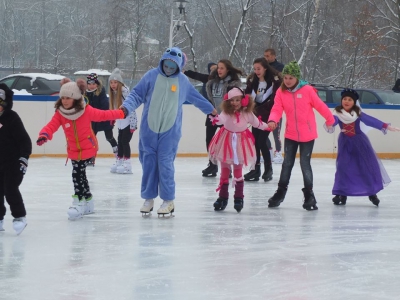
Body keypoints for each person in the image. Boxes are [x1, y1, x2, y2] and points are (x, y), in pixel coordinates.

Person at [120, 47, 217, 217]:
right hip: (149, 130)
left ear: (179, 66)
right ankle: (149, 198)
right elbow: (136, 94)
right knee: (148, 163)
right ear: (162, 61)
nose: (169, 69)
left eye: (173, 66)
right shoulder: (151, 76)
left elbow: (196, 98)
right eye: (167, 64)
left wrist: (212, 110)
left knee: (165, 164)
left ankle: (168, 200)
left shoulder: (182, 81)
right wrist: (126, 108)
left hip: (170, 132)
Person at [36, 80, 124, 220]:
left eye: (68, 98)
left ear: (76, 97)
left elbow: (103, 115)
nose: (64, 101)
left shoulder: (86, 110)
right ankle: (88, 201)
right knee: (81, 175)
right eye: (63, 98)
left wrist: (120, 113)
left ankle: (78, 202)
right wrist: (44, 134)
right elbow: (51, 125)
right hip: (74, 149)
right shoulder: (61, 113)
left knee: (77, 173)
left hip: (89, 148)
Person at [267, 61, 335, 211]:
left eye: (291, 78)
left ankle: (309, 195)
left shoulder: (308, 90)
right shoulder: (281, 91)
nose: (287, 81)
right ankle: (280, 193)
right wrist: (273, 120)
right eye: (285, 78)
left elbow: (320, 106)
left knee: (305, 164)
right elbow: (277, 108)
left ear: (297, 78)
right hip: (290, 134)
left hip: (308, 135)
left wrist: (330, 120)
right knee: (287, 164)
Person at [326, 88, 400, 206]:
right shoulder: (337, 112)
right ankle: (341, 193)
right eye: (344, 99)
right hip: (345, 143)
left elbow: (371, 121)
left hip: (360, 142)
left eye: (350, 99)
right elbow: (331, 122)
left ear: (354, 102)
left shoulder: (358, 113)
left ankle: (372, 193)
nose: (346, 101)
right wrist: (329, 125)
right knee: (343, 167)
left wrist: (386, 126)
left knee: (364, 166)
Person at [208, 87, 270, 212]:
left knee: (238, 172)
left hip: (241, 144)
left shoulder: (247, 113)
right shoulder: (226, 112)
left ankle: (239, 197)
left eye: (237, 100)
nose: (235, 103)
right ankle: (222, 197)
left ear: (243, 100)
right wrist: (215, 117)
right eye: (232, 100)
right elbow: (221, 120)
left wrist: (268, 126)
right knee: (225, 172)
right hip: (226, 143)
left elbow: (257, 123)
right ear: (227, 101)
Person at [0, 84, 32, 235]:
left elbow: (25, 141)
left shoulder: (12, 118)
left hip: (14, 162)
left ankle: (19, 217)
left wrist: (23, 158)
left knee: (10, 189)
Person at [244, 57, 281, 182]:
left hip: (268, 117)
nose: (256, 71)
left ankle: (268, 169)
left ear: (265, 68)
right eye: (255, 69)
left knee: (261, 141)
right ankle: (255, 170)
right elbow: (247, 96)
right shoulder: (252, 82)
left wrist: (262, 110)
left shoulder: (274, 82)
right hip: (255, 116)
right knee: (255, 142)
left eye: (259, 68)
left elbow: (275, 101)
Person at [203, 59, 243, 177]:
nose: (219, 70)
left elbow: (238, 100)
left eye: (221, 68)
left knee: (227, 143)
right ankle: (212, 165)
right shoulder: (213, 81)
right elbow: (199, 76)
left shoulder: (233, 84)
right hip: (214, 114)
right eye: (218, 68)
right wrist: (186, 72)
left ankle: (228, 167)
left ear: (228, 70)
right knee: (209, 140)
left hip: (226, 116)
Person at [108, 68, 138, 174]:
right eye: (111, 82)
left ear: (120, 83)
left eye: (115, 82)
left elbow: (132, 108)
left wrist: (133, 124)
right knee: (120, 141)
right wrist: (112, 119)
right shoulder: (114, 94)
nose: (113, 85)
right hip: (121, 123)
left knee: (125, 142)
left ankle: (128, 164)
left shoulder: (125, 93)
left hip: (128, 122)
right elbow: (115, 108)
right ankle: (119, 161)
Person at [86, 73, 118, 165]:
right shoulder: (85, 93)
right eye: (89, 84)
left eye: (93, 84)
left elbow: (105, 105)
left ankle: (118, 154)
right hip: (93, 121)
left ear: (97, 84)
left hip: (104, 118)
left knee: (109, 137)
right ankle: (91, 158)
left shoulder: (101, 92)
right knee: (91, 139)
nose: (91, 86)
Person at [264, 48, 285, 164]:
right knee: (262, 129)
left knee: (276, 130)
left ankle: (278, 152)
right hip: (265, 103)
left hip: (276, 102)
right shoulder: (263, 67)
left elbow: (281, 81)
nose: (266, 58)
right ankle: (269, 150)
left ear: (273, 56)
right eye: (265, 56)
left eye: (268, 56)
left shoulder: (280, 67)